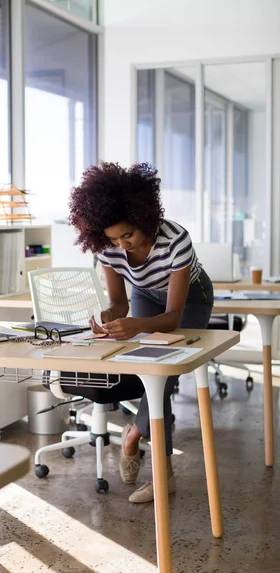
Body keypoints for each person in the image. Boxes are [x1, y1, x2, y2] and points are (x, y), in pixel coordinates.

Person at [67, 161, 214, 504]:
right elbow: (119, 303)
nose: (121, 245)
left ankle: (133, 434)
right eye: (112, 238)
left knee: (165, 372)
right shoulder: (108, 248)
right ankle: (166, 477)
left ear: (144, 218)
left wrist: (136, 325)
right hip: (146, 294)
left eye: (128, 235)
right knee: (152, 374)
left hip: (190, 298)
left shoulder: (175, 240)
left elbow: (173, 317)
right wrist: (107, 317)